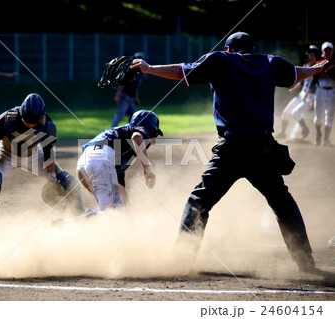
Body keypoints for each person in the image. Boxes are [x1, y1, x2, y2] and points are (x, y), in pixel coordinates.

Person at [130, 32, 327, 272]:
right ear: (251, 49)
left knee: (199, 201)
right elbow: (296, 73)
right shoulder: (270, 63)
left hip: (232, 147)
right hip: (263, 148)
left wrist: (149, 68)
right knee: (282, 202)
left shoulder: (221, 60)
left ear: (229, 49)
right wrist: (315, 70)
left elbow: (182, 71)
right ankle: (305, 262)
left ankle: (182, 260)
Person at [0, 93, 84, 213]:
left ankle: (77, 212)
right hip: (5, 153)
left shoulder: (47, 126)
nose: (29, 125)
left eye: (34, 123)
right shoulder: (6, 119)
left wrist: (52, 179)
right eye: (26, 120)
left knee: (67, 181)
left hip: (32, 155)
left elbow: (48, 154)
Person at [77, 110, 162, 213]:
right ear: (150, 130)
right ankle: (66, 224)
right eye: (154, 135)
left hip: (84, 163)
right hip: (101, 160)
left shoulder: (122, 143)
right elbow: (136, 136)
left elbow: (120, 188)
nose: (152, 141)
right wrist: (147, 168)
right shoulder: (138, 129)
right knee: (110, 212)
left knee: (117, 209)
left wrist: (128, 213)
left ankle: (72, 222)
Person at [275, 45, 320, 140]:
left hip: (311, 97)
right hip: (302, 95)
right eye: (309, 55)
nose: (310, 57)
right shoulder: (306, 67)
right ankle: (283, 132)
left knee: (296, 113)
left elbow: (316, 85)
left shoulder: (318, 69)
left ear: (317, 57)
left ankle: (305, 129)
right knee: (286, 111)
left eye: (313, 55)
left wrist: (314, 100)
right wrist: (294, 88)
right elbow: (303, 81)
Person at [310, 42, 335, 146]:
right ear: (322, 52)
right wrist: (311, 95)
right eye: (326, 50)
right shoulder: (319, 63)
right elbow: (313, 79)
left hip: (332, 91)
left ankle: (326, 139)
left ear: (333, 51)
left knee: (329, 116)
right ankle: (318, 135)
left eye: (330, 50)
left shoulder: (334, 63)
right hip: (320, 91)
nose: (328, 52)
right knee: (318, 116)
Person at [111, 52, 145, 128]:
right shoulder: (129, 71)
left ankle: (130, 131)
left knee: (134, 116)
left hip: (131, 98)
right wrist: (117, 95)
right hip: (124, 97)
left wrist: (136, 98)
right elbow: (122, 84)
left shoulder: (140, 74)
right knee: (120, 115)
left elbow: (136, 87)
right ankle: (111, 132)